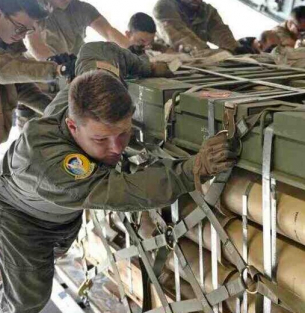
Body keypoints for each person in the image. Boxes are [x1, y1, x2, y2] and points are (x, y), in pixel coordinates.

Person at [0, 43, 237, 312]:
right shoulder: (45, 165)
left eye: (123, 134)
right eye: (101, 139)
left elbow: (97, 49)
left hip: (60, 215)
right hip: (23, 222)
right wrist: (194, 169)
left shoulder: (96, 83)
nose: (116, 148)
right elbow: (126, 190)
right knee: (27, 299)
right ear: (72, 126)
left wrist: (147, 67)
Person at [0, 0, 76, 143]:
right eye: (19, 28)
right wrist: (58, 69)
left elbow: (20, 88)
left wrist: (60, 115)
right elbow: (5, 70)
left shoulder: (9, 46)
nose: (22, 36)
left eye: (27, 31)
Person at [26, 0, 130, 60]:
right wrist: (55, 63)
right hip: (43, 73)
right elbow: (35, 46)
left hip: (75, 67)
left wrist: (132, 49)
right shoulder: (34, 11)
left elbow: (108, 31)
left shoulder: (82, 8)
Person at [153, 0, 239, 54]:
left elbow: (220, 31)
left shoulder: (206, 10)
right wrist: (209, 53)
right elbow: (179, 35)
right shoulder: (164, 6)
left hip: (197, 59)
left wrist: (236, 49)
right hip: (167, 60)